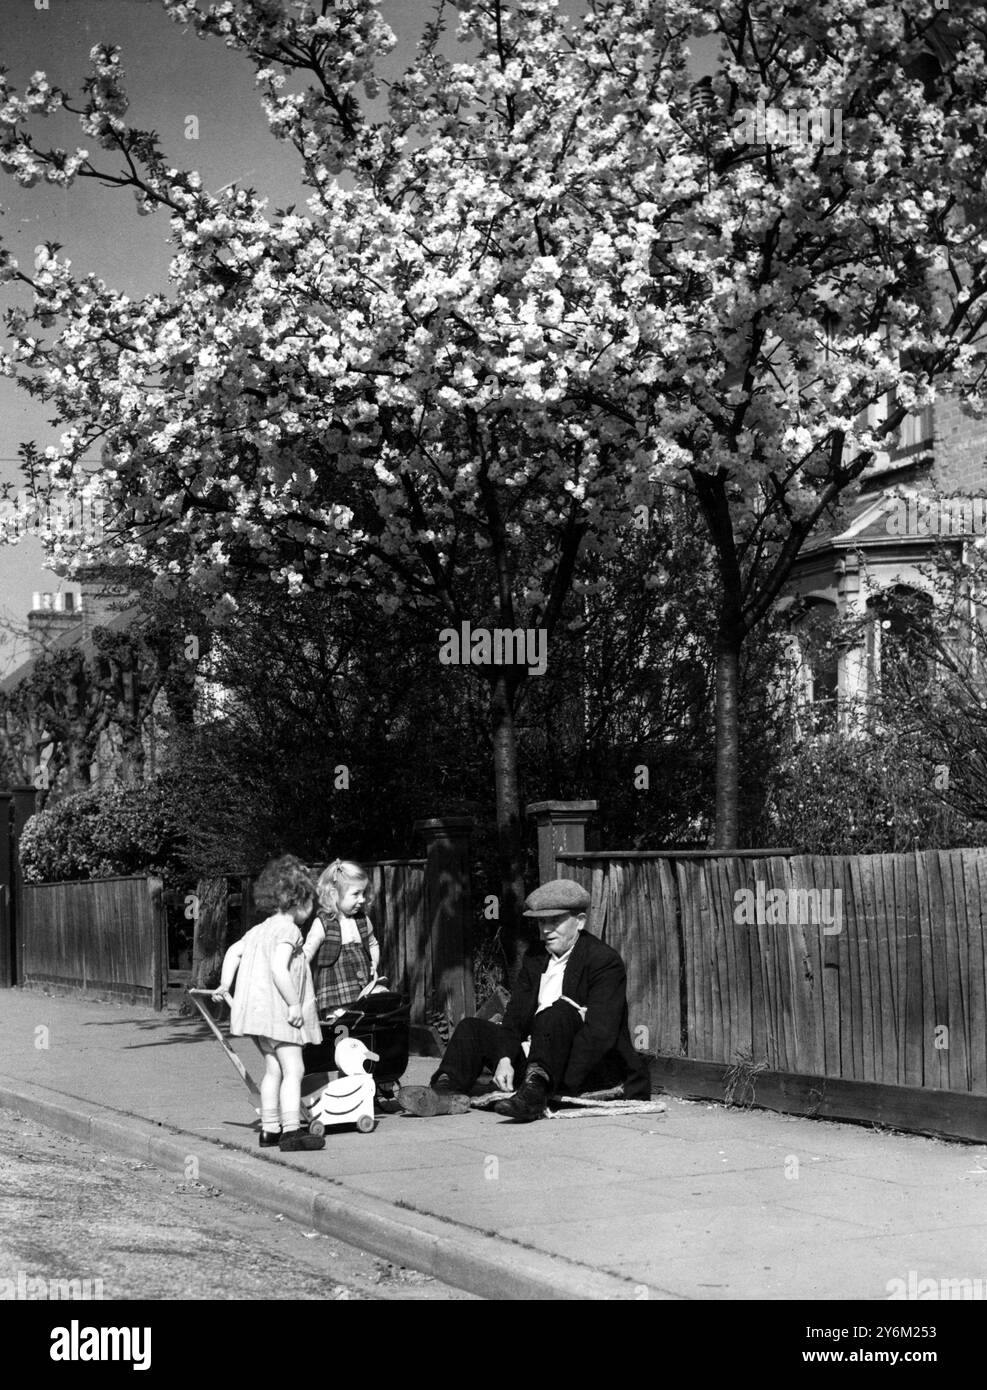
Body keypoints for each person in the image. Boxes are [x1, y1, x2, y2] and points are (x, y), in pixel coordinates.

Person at [397, 878, 651, 1123]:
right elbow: (515, 1017)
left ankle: (534, 1094)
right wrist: (505, 1058)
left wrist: (555, 1079)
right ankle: (445, 1092)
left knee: (558, 1011)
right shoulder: (536, 957)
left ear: (580, 921)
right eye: (541, 923)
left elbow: (600, 1034)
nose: (547, 930)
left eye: (556, 921)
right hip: (534, 1057)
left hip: (581, 1065)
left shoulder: (603, 961)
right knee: (471, 1029)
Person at [212, 854, 325, 1153]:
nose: (311, 910)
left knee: (273, 1070)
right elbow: (279, 968)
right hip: (280, 1016)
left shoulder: (259, 929)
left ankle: (269, 1129)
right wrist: (293, 1005)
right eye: (310, 902)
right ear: (297, 900)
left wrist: (225, 983)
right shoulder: (289, 930)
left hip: (260, 1022)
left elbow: (234, 952)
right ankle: (291, 1130)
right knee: (294, 1070)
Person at [305, 859, 382, 1015]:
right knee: (340, 1023)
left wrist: (374, 962)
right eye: (356, 894)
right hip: (336, 991)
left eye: (363, 893)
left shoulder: (362, 920)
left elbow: (373, 944)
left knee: (366, 1021)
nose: (362, 899)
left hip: (363, 987)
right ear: (334, 895)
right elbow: (307, 953)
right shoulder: (322, 923)